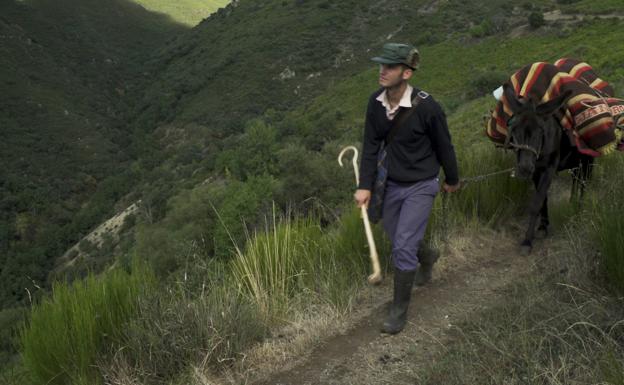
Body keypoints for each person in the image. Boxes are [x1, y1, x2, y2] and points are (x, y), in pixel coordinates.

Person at [354, 43, 460, 334]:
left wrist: (452, 179)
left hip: (421, 185)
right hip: (389, 185)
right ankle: (427, 256)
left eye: (389, 66)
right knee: (396, 236)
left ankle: (398, 310)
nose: (382, 71)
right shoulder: (375, 103)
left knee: (402, 245)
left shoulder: (428, 107)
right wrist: (365, 186)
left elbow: (444, 146)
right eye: (381, 65)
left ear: (407, 72)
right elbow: (370, 148)